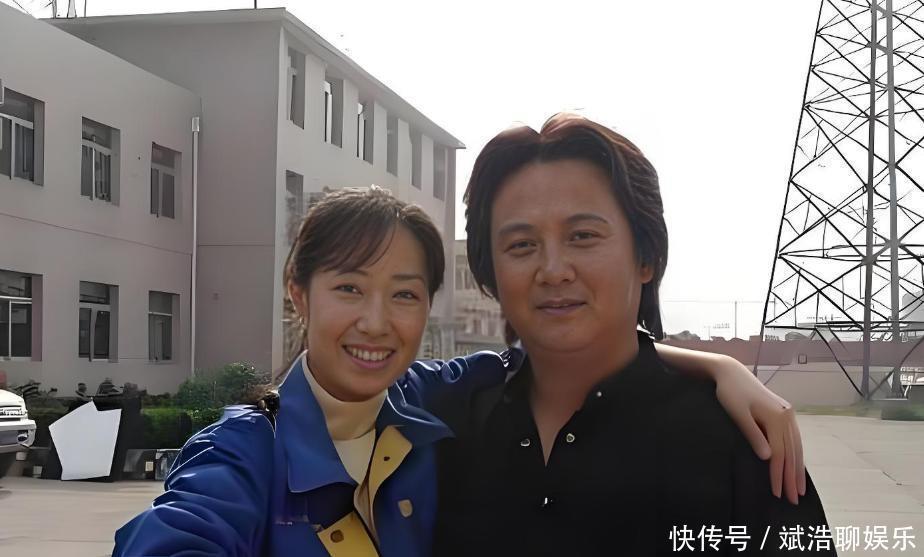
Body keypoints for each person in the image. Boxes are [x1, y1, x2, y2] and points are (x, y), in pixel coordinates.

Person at [114, 187, 807, 556]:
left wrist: (716, 365)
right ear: (299, 292)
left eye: (405, 295)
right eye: (350, 288)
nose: (377, 323)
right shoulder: (243, 450)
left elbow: (557, 349)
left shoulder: (423, 403)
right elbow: (179, 535)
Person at [426, 113, 833, 556]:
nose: (554, 270)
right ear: (491, 272)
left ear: (646, 258)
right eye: (522, 245)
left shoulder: (739, 442)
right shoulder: (440, 427)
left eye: (583, 236)